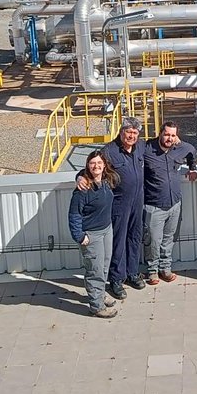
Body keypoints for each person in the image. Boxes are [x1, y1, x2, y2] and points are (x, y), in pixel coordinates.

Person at [142, 120, 197, 285]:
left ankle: (165, 269)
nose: (169, 138)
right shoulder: (147, 149)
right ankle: (152, 271)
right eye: (166, 134)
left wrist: (193, 167)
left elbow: (192, 152)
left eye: (173, 135)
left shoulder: (181, 148)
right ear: (160, 133)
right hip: (153, 205)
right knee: (153, 240)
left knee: (169, 239)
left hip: (175, 204)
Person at [68, 150, 119, 318]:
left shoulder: (106, 181)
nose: (96, 166)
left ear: (104, 165)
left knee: (104, 266)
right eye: (92, 163)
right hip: (92, 235)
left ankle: (99, 294)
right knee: (94, 270)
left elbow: (118, 178)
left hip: (106, 230)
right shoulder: (82, 189)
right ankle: (96, 307)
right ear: (87, 166)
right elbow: (74, 214)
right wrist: (80, 236)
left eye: (99, 163)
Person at [103, 117, 146, 300]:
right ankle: (116, 279)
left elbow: (162, 144)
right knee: (119, 240)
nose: (132, 136)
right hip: (119, 203)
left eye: (135, 133)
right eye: (129, 132)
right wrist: (80, 178)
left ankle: (132, 273)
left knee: (135, 236)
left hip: (138, 200)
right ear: (121, 132)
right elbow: (92, 168)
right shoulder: (109, 151)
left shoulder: (140, 148)